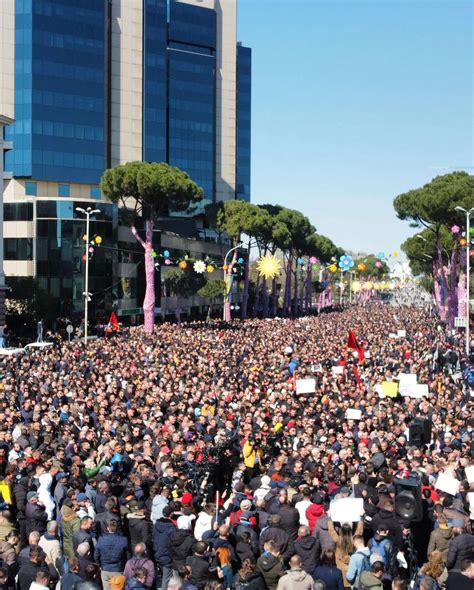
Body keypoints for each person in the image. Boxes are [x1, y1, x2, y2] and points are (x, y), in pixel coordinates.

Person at [94, 520, 129, 590]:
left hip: (105, 569)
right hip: (118, 569)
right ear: (117, 528)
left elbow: (96, 556)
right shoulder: (124, 540)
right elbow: (128, 556)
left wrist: (100, 565)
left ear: (107, 528)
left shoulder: (101, 539)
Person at [328, 520, 364, 587]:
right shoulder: (354, 540)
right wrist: (360, 520)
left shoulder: (338, 540)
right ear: (350, 531)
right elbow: (359, 531)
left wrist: (330, 520)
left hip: (340, 569)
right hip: (351, 569)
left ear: (341, 531)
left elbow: (331, 531)